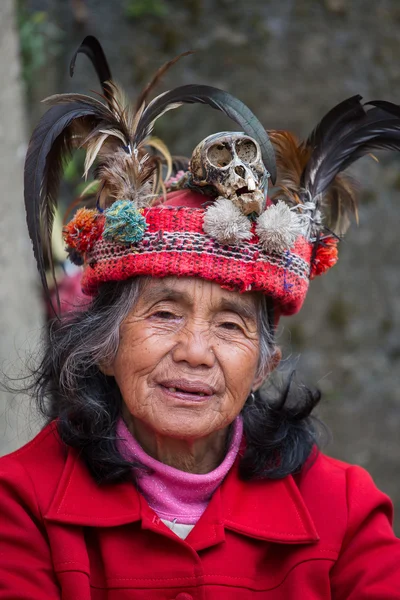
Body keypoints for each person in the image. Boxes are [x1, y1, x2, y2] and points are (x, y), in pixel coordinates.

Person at [1, 36, 400, 599]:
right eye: (164, 313)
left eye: (231, 325)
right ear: (105, 346)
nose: (194, 350)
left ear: (263, 367)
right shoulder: (21, 503)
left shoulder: (346, 510)